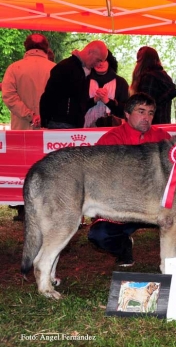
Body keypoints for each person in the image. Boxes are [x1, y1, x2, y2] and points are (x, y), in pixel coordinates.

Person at [88, 93, 176, 266]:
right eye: (141, 111)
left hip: (157, 206)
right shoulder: (110, 140)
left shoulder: (163, 138)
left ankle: (174, 254)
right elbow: (98, 176)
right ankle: (124, 248)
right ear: (127, 114)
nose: (147, 118)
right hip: (124, 206)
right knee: (99, 235)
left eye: (151, 113)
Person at [1, 34, 55, 221]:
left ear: (26, 47)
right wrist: (42, 115)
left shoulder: (14, 68)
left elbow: (8, 95)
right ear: (46, 48)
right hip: (49, 127)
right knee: (47, 165)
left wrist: (29, 114)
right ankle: (45, 205)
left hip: (21, 127)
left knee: (23, 166)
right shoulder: (55, 69)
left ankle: (23, 207)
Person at [40, 40, 108, 129]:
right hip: (60, 123)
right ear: (90, 52)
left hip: (72, 124)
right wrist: (45, 122)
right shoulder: (65, 67)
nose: (98, 64)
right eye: (98, 60)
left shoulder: (85, 71)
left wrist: (93, 100)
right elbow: (48, 97)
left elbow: (79, 101)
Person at [130, 46, 176, 124]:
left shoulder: (148, 78)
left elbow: (145, 105)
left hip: (150, 125)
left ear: (141, 60)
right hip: (163, 123)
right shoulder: (163, 76)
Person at [83, 50, 129, 127]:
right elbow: (77, 107)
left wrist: (107, 101)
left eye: (103, 61)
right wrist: (94, 100)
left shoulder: (121, 82)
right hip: (86, 129)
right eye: (97, 61)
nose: (100, 64)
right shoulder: (84, 81)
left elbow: (127, 110)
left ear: (109, 62)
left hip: (114, 129)